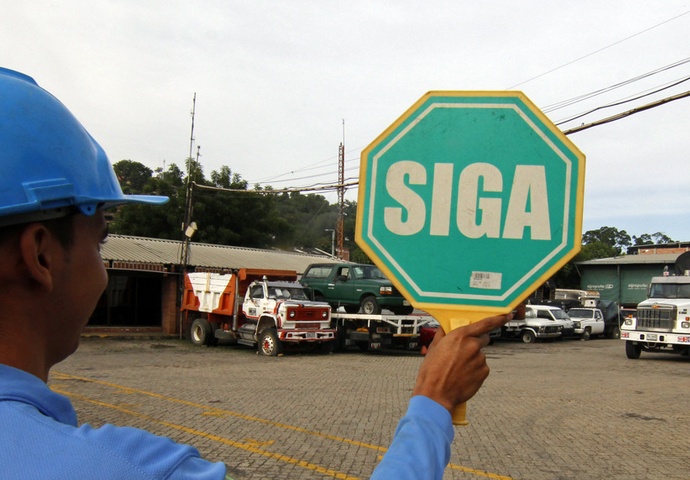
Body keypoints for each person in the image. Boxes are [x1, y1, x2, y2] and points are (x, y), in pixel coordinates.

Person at [0, 66, 510, 479]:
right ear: (40, 255)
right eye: (101, 238)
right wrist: (433, 401)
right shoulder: (115, 468)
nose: (103, 267)